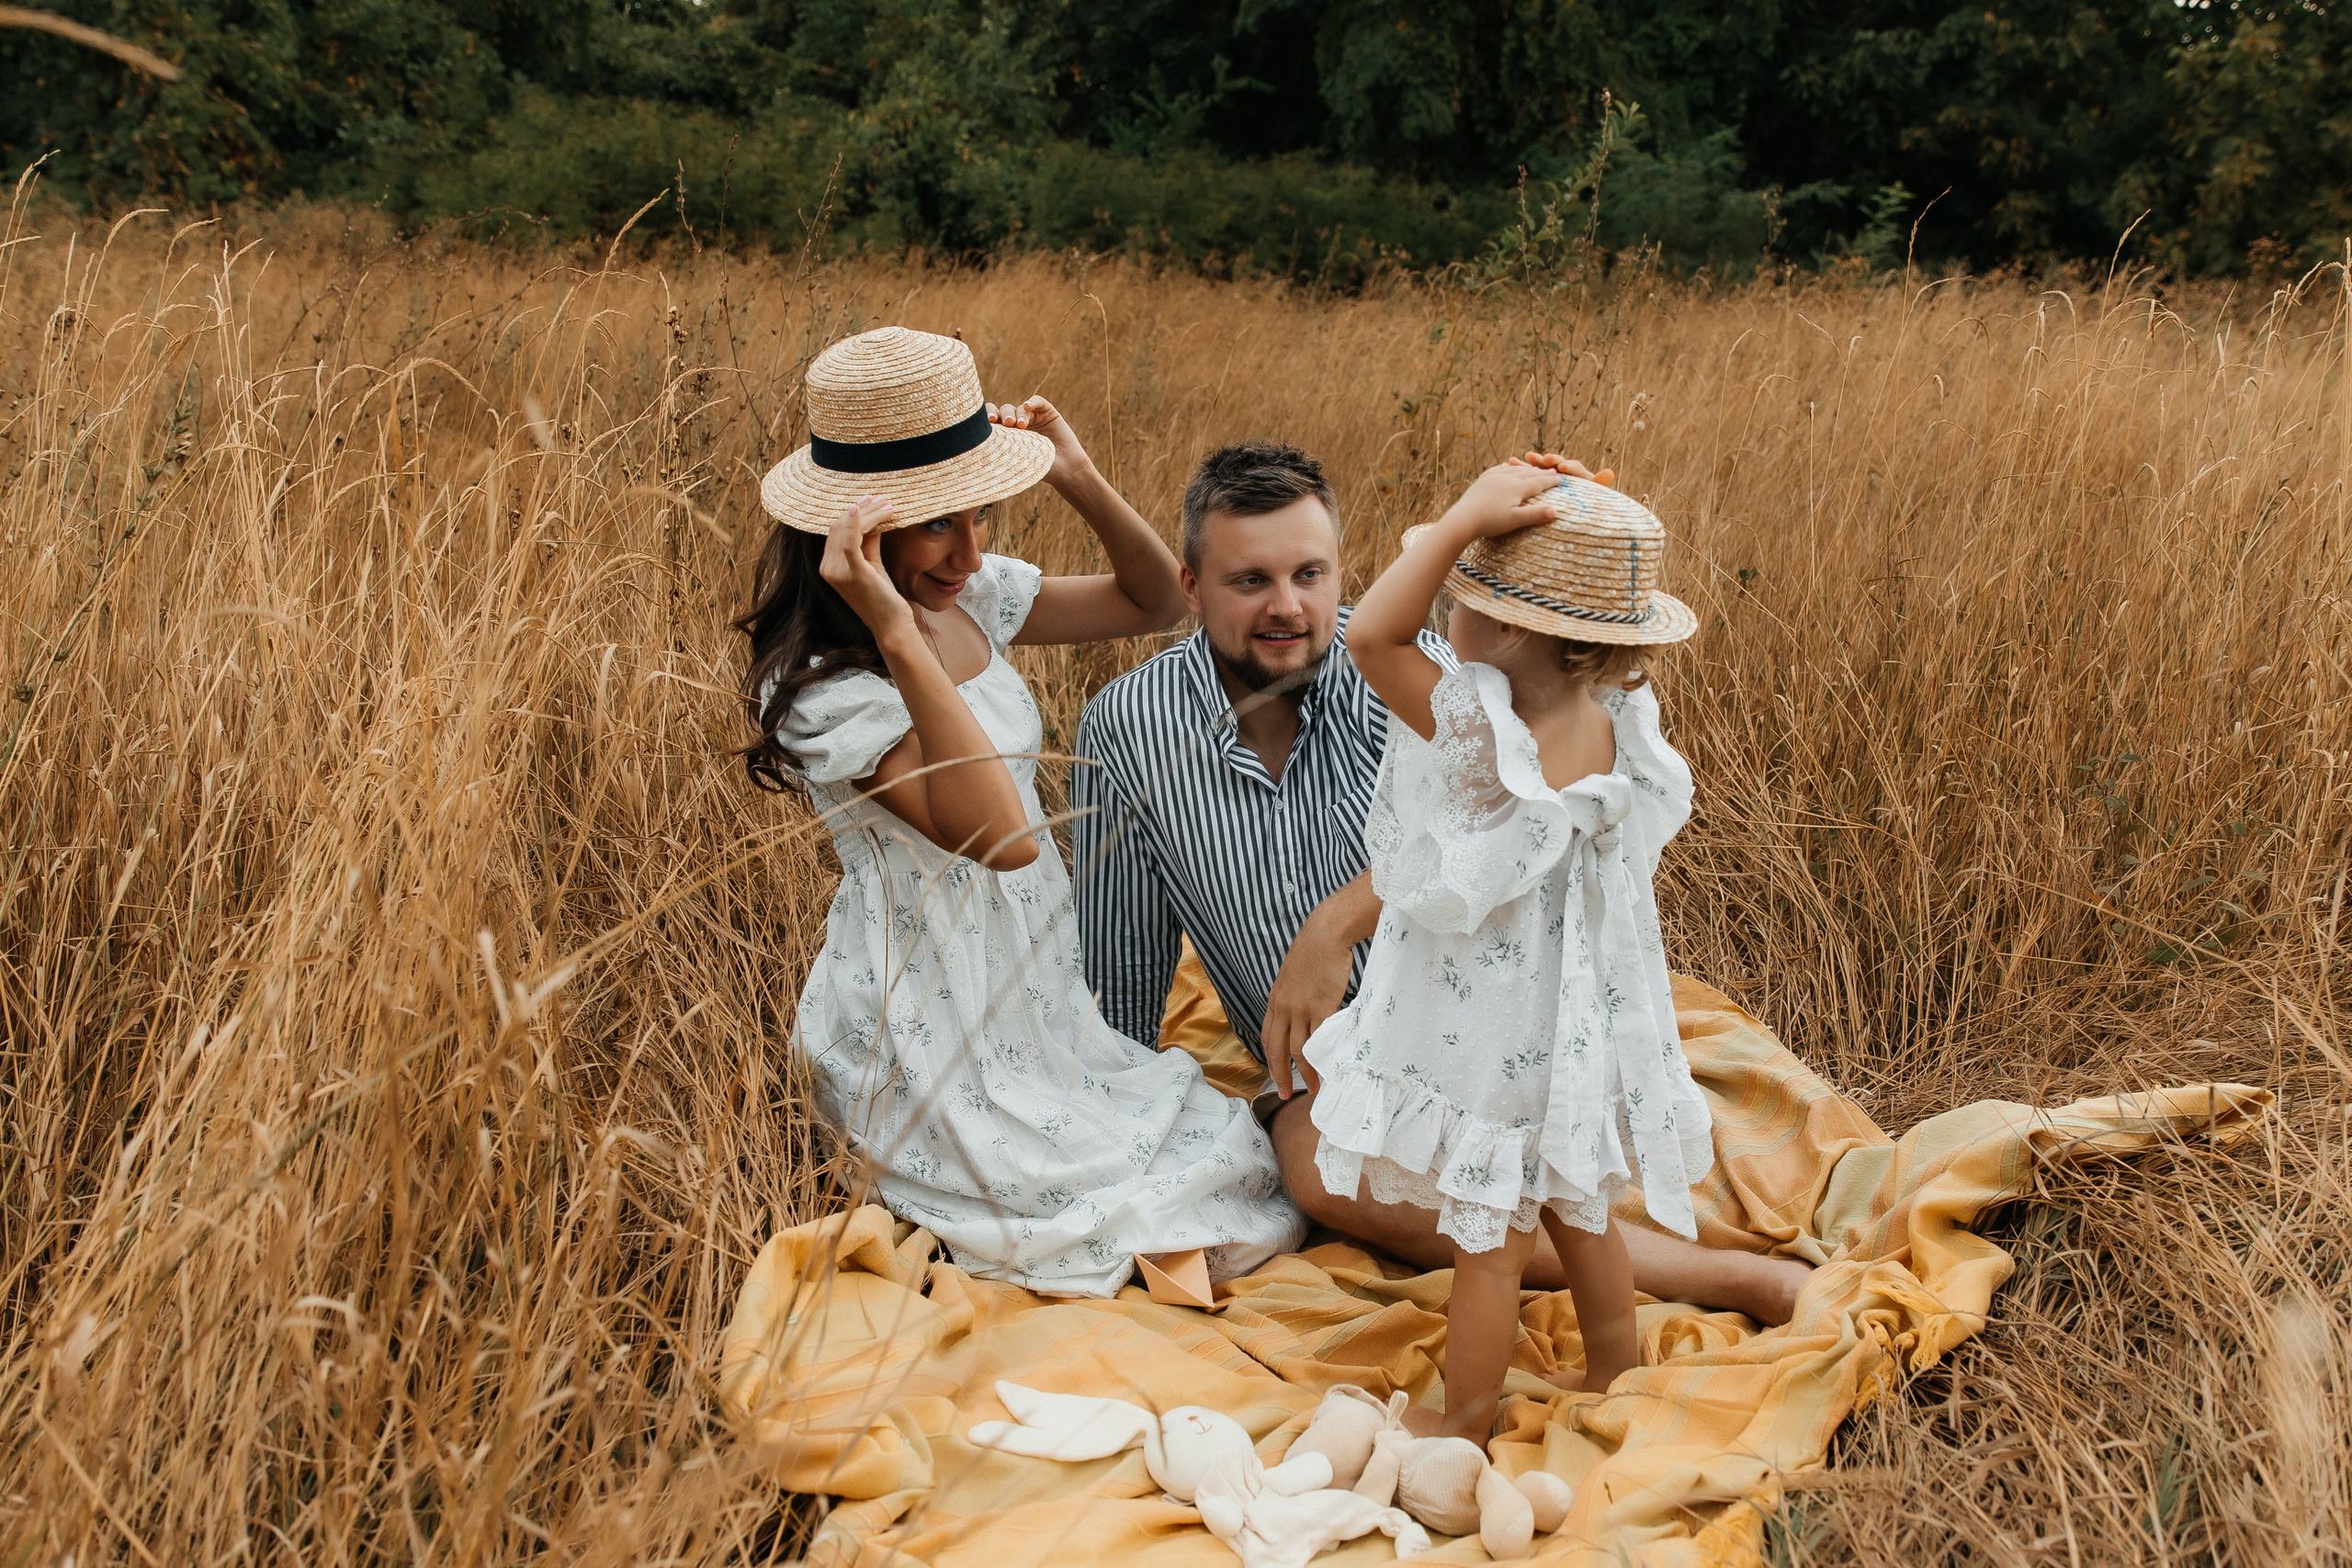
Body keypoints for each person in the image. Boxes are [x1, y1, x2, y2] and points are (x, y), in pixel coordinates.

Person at [1072, 442, 1810, 1324]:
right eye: (1249, 580)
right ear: (1190, 585)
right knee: (1311, 1169)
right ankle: (1694, 1275)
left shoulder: (1410, 663)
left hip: (1483, 1016)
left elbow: (1531, 803)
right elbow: (1118, 983)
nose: (1289, 606)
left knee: (1529, 1145)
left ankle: (1730, 1276)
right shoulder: (1124, 728)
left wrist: (1334, 922)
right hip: (1329, 1072)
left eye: (1311, 573)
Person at [739, 327, 1305, 1298]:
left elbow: (1148, 602)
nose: (967, 552)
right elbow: (1001, 836)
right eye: (935, 526)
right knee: (1094, 1197)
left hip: (1029, 978)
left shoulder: (965, 595)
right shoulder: (821, 688)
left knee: (1214, 1146)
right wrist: (893, 627)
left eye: (984, 516)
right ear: (855, 535)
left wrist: (1074, 475)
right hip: (926, 1007)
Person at [1302, 460, 1712, 1439]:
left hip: (1500, 1027)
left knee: (1487, 1244)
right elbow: (1422, 620)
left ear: (1511, 630)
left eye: (1467, 603)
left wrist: (1460, 522)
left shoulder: (1486, 735)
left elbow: (1368, 635)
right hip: (1574, 1022)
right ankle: (1616, 1367)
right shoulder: (1609, 719)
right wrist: (1481, 523)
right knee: (1580, 1206)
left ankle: (1466, 1419)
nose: (1449, 613)